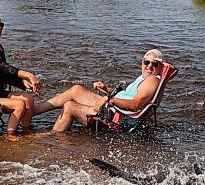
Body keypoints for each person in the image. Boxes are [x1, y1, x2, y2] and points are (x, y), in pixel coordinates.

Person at [33, 49, 166, 132]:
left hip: (116, 116)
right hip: (114, 107)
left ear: (161, 67)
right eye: (146, 62)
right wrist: (107, 91)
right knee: (76, 90)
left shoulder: (152, 80)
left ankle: (52, 137)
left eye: (154, 64)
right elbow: (128, 96)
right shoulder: (145, 78)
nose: (149, 66)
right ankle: (35, 110)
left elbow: (135, 104)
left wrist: (109, 99)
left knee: (69, 106)